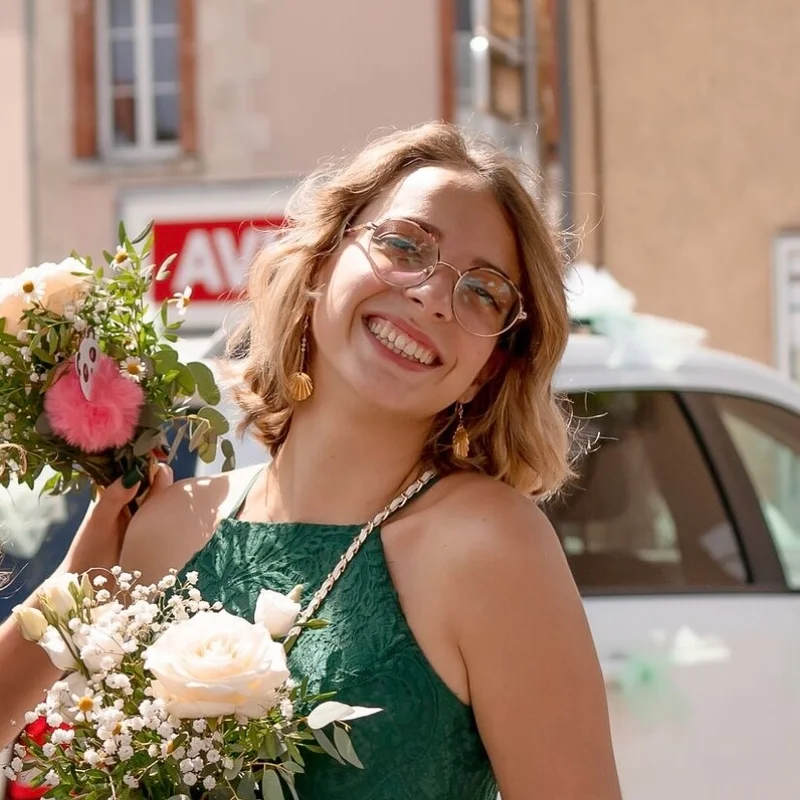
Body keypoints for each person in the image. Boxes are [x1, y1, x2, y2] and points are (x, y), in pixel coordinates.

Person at [0, 122, 621, 799]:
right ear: (324, 261)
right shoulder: (168, 524)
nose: (433, 296)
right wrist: (79, 584)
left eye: (483, 291)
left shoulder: (490, 546)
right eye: (405, 244)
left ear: (488, 368)